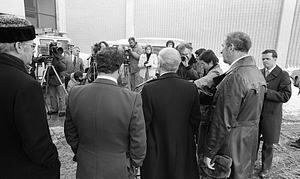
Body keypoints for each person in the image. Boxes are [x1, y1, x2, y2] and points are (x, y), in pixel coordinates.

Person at [64, 47, 147, 179]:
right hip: (119, 167)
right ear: (120, 69)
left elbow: (70, 132)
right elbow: (138, 139)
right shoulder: (132, 99)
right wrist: (133, 164)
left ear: (97, 66)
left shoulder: (75, 93)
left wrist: (82, 152)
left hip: (87, 163)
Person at [0, 14, 60, 179]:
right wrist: (53, 163)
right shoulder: (25, 85)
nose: (33, 52)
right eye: (32, 47)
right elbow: (38, 145)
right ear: (19, 46)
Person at [203, 31, 266, 179]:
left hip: (232, 143)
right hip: (248, 141)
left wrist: (209, 151)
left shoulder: (236, 76)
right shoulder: (255, 72)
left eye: (223, 46)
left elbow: (223, 120)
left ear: (231, 48)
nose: (221, 51)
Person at [140, 47, 201, 179]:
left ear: (160, 64)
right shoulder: (190, 88)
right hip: (183, 145)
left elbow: (144, 122)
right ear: (179, 64)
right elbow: (195, 119)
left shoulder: (150, 89)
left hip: (156, 146)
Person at [257, 49, 292, 178]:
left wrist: (268, 92)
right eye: (263, 59)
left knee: (268, 143)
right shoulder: (259, 73)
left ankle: (265, 168)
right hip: (257, 112)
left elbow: (286, 95)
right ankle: (250, 163)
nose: (265, 61)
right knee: (254, 141)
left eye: (268, 59)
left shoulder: (282, 75)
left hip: (271, 114)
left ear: (275, 59)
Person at [193, 50, 223, 164]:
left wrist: (189, 85)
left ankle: (201, 162)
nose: (202, 66)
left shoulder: (215, 73)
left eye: (203, 64)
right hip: (205, 109)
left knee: (203, 137)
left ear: (211, 62)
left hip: (207, 110)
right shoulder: (212, 70)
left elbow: (203, 82)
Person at [46, 44, 67, 117]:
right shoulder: (48, 57)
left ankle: (63, 110)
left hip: (59, 79)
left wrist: (57, 60)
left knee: (61, 96)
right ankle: (53, 109)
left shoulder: (61, 57)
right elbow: (48, 69)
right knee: (52, 96)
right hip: (51, 79)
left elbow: (63, 67)